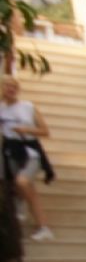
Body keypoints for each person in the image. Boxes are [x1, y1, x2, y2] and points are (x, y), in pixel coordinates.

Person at [0, 76, 53, 242]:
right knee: (25, 188)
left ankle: (22, 208)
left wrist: (27, 130)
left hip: (30, 151)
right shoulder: (1, 108)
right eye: (7, 86)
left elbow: (45, 131)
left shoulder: (28, 106)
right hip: (11, 151)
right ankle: (43, 227)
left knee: (22, 182)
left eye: (14, 86)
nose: (11, 89)